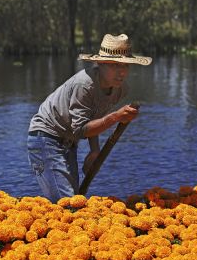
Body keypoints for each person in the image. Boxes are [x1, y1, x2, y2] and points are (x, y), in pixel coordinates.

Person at [27, 33, 152, 202]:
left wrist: (94, 150)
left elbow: (93, 116)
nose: (121, 72)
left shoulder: (120, 89)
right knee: (68, 203)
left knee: (75, 198)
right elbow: (80, 130)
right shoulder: (84, 85)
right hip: (45, 138)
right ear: (100, 63)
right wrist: (115, 117)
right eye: (114, 65)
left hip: (68, 141)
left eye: (125, 66)